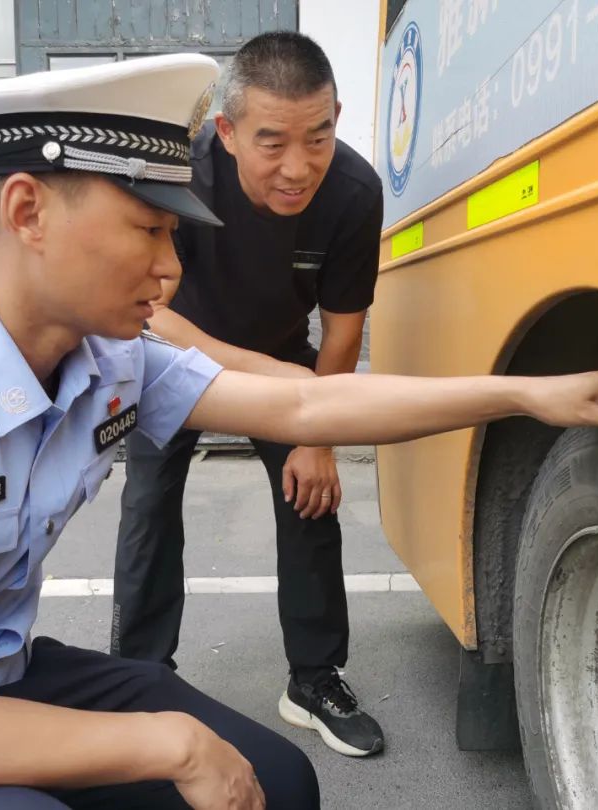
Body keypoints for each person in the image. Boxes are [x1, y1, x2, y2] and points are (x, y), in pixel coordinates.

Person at [0, 54, 598, 810]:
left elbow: (305, 405)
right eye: (148, 230)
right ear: (27, 212)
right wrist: (173, 744)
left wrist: (523, 394)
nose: (170, 269)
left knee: (278, 783)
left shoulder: (105, 356)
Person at [113, 31, 390, 758]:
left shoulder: (353, 193)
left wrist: (316, 432)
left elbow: (343, 329)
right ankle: (141, 679)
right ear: (227, 132)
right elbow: (151, 312)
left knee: (311, 496)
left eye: (318, 137)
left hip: (282, 355)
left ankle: (315, 680)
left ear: (337, 118)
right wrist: (284, 386)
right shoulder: (177, 171)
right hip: (172, 355)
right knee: (148, 503)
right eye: (272, 143)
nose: (298, 168)